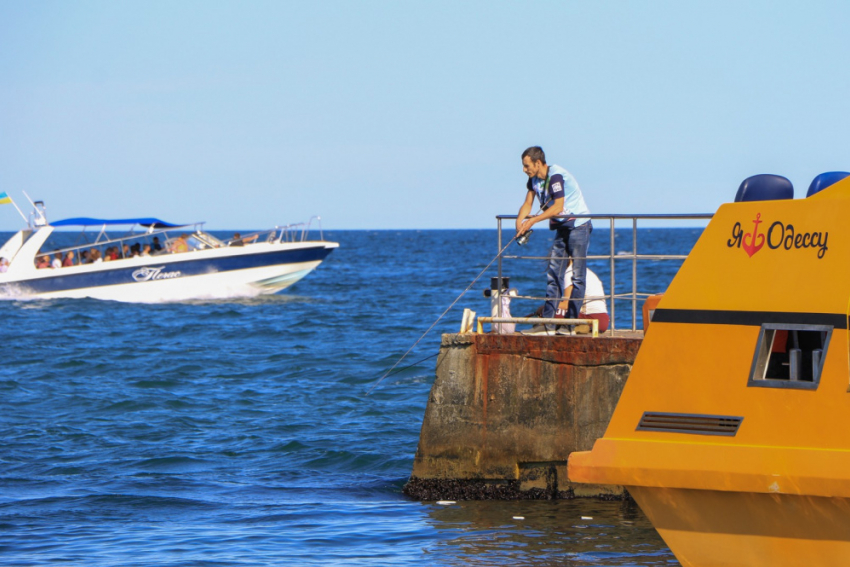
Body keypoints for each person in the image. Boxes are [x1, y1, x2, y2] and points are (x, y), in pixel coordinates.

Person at [516, 146, 592, 335]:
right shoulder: (533, 180)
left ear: (538, 163)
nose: (525, 170)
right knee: (554, 274)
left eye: (527, 166)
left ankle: (570, 324)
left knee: (577, 277)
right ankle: (549, 323)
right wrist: (520, 222)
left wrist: (532, 220)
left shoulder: (556, 177)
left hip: (578, 226)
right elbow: (528, 203)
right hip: (562, 228)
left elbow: (558, 207)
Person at [557, 261, 609, 333]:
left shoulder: (570, 273)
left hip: (590, 317)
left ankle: (580, 326)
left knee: (548, 312)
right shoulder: (587, 271)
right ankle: (580, 328)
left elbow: (567, 305)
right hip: (602, 321)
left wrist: (546, 306)